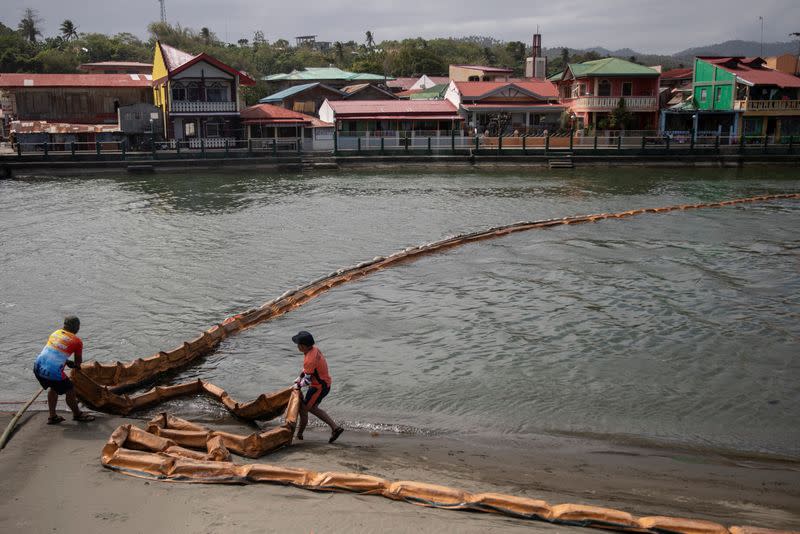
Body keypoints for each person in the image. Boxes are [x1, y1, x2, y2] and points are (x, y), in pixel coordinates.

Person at [33, 316, 95, 424]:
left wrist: (66, 362)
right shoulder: (77, 341)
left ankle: (52, 417)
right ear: (77, 327)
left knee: (53, 387)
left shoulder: (55, 333)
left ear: (64, 325)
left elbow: (53, 353)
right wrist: (76, 366)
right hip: (52, 372)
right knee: (70, 390)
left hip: (37, 367)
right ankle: (77, 414)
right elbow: (78, 362)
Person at [291, 330, 343, 443]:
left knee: (305, 409)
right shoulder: (314, 349)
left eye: (298, 345)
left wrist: (298, 385)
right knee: (309, 408)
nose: (297, 347)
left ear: (304, 346)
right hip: (322, 383)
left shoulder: (309, 359)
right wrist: (299, 378)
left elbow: (307, 381)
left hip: (319, 387)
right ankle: (334, 428)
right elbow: (307, 371)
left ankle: (300, 435)